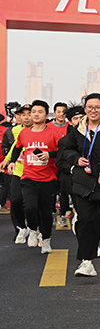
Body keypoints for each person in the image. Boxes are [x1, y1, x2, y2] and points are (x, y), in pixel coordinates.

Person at [59, 94, 100, 276]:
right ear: (85, 108)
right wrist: (75, 159)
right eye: (89, 107)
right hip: (84, 183)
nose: (93, 110)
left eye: (97, 107)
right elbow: (67, 148)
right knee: (86, 220)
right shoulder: (79, 129)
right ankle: (86, 262)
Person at [1, 100, 67, 253]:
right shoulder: (25, 132)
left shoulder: (54, 133)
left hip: (48, 179)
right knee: (29, 207)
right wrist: (11, 162)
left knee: (45, 211)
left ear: (46, 114)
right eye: (34, 112)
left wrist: (49, 154)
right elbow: (17, 148)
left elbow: (64, 152)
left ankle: (45, 240)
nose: (36, 115)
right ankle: (32, 229)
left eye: (40, 112)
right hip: (28, 177)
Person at [2, 105, 30, 242]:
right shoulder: (14, 130)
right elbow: (15, 146)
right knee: (15, 199)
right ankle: (20, 228)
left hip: (35, 172)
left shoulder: (41, 131)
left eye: (29, 114)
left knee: (33, 204)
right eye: (22, 114)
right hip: (18, 170)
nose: (26, 117)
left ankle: (35, 229)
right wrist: (7, 160)